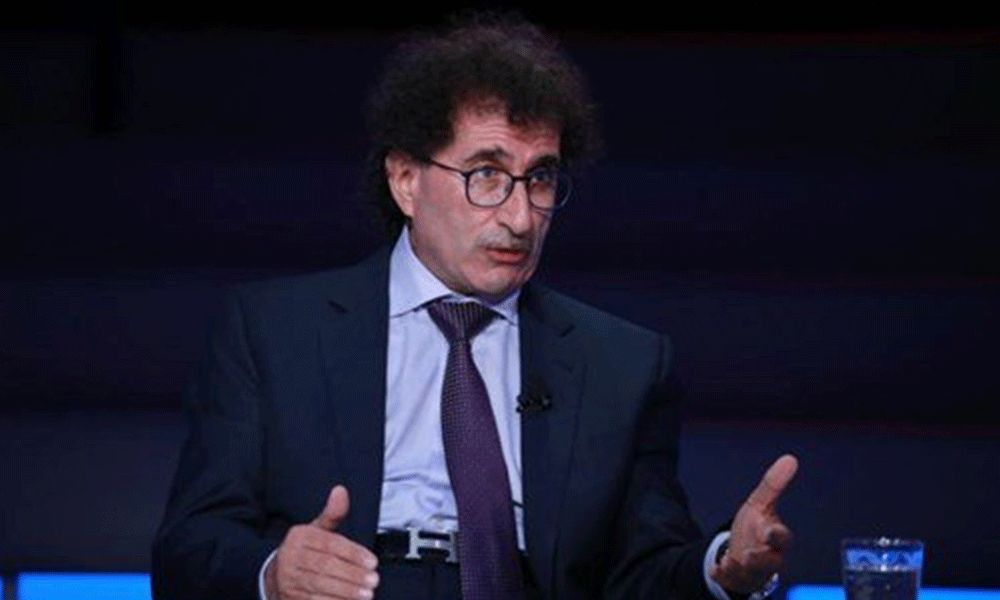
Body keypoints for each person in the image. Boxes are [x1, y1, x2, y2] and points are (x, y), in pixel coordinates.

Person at [151, 13, 798, 600]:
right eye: (486, 174)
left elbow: (643, 574)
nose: (520, 217)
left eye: (539, 178)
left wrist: (723, 569)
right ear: (406, 180)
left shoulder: (622, 365)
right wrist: (273, 574)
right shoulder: (274, 332)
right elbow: (188, 550)